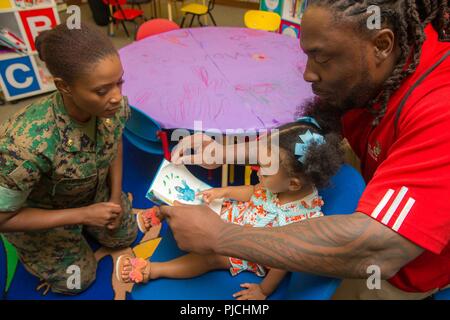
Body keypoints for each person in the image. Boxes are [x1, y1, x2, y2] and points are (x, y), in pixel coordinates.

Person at [160, 1, 450, 299]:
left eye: (321, 58)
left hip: (398, 274)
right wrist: (223, 152)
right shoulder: (381, 61)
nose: (308, 74)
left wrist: (222, 235)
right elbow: (305, 137)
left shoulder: (441, 109)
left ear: (382, 44)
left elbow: (379, 248)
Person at [116, 119, 343, 300]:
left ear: (293, 184)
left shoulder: (303, 220)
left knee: (209, 259)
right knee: (200, 205)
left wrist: (264, 291)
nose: (257, 170)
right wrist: (223, 193)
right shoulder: (280, 182)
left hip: (249, 252)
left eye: (265, 168)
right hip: (240, 215)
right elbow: (254, 192)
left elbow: (282, 262)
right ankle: (162, 212)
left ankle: (153, 270)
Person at [0, 23, 138, 295]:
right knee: (78, 280)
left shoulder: (115, 107)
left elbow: (115, 142)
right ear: (64, 86)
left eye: (119, 82)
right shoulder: (25, 142)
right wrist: (83, 215)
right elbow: (3, 218)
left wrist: (114, 197)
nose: (117, 97)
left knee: (126, 235)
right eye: (102, 91)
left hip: (94, 196)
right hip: (44, 213)